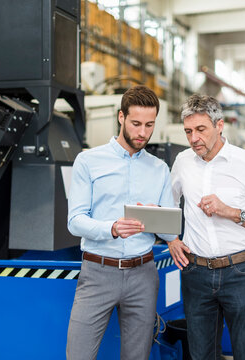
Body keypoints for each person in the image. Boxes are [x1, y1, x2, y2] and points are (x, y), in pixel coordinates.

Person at [168, 94, 245, 360]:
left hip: (241, 273)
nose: (194, 138)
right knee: (201, 354)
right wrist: (171, 239)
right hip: (195, 273)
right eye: (188, 131)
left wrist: (231, 212)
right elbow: (168, 203)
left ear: (219, 126)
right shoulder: (183, 162)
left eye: (201, 129)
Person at [66, 85, 176, 360]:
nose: (142, 133)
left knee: (136, 357)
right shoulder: (88, 161)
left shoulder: (160, 169)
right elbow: (74, 220)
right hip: (97, 271)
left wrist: (157, 215)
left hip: (143, 274)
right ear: (121, 117)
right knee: (78, 355)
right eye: (136, 123)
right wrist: (111, 228)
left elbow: (169, 229)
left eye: (149, 125)